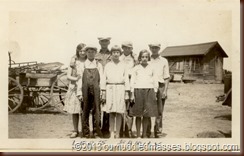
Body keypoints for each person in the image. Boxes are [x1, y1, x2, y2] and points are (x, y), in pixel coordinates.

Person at [101, 45, 130, 139]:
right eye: (114, 52)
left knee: (119, 112)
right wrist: (104, 92)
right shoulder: (108, 65)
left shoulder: (124, 65)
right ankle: (112, 133)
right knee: (111, 112)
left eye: (117, 52)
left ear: (120, 53)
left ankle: (117, 133)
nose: (116, 54)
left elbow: (126, 79)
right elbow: (103, 79)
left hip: (120, 88)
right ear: (111, 54)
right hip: (110, 88)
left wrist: (126, 92)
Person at [130, 49, 158, 138]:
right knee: (138, 115)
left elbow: (155, 80)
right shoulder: (136, 68)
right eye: (142, 57)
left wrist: (155, 91)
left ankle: (144, 134)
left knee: (146, 115)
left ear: (148, 57)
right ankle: (138, 134)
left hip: (149, 91)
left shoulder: (152, 68)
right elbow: (132, 81)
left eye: (146, 57)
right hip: (138, 91)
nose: (144, 58)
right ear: (139, 58)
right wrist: (132, 93)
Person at [63, 43, 86, 138]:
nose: (82, 53)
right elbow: (68, 75)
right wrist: (75, 79)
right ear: (77, 51)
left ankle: (84, 130)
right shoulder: (73, 61)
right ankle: (75, 130)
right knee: (75, 111)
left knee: (84, 110)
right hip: (75, 87)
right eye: (80, 51)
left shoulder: (89, 61)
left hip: (85, 87)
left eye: (84, 51)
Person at [147, 43, 170, 138]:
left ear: (159, 48)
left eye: (156, 48)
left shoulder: (164, 61)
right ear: (150, 48)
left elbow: (167, 77)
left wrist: (165, 90)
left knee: (159, 110)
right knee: (147, 109)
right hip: (149, 85)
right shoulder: (147, 59)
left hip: (160, 86)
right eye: (152, 47)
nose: (154, 49)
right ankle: (147, 130)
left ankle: (158, 130)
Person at [82, 45, 103, 138]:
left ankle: (96, 131)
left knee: (97, 110)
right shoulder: (82, 65)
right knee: (85, 109)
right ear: (86, 53)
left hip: (96, 89)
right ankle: (85, 132)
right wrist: (79, 93)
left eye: (92, 52)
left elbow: (101, 79)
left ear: (95, 53)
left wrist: (102, 90)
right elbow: (79, 80)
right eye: (89, 52)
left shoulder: (99, 65)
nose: (91, 54)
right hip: (85, 89)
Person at [119, 41, 137, 138]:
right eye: (125, 47)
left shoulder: (134, 58)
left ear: (131, 49)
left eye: (129, 48)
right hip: (121, 84)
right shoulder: (119, 57)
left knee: (130, 107)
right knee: (121, 107)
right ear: (122, 48)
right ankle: (121, 129)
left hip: (132, 83)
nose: (127, 49)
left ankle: (129, 130)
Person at [95, 37, 112, 138]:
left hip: (109, 82)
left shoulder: (113, 53)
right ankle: (98, 128)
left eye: (106, 41)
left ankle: (106, 129)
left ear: (109, 42)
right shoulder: (96, 54)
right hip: (98, 81)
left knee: (107, 106)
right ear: (99, 42)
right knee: (98, 106)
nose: (104, 43)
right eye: (102, 41)